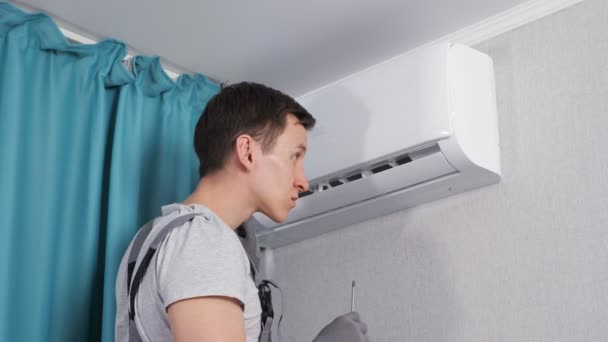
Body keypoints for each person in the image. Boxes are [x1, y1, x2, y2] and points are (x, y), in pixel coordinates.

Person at [115, 82, 370, 342]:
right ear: (247, 151)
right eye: (294, 156)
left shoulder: (155, 239)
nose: (303, 181)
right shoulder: (204, 241)